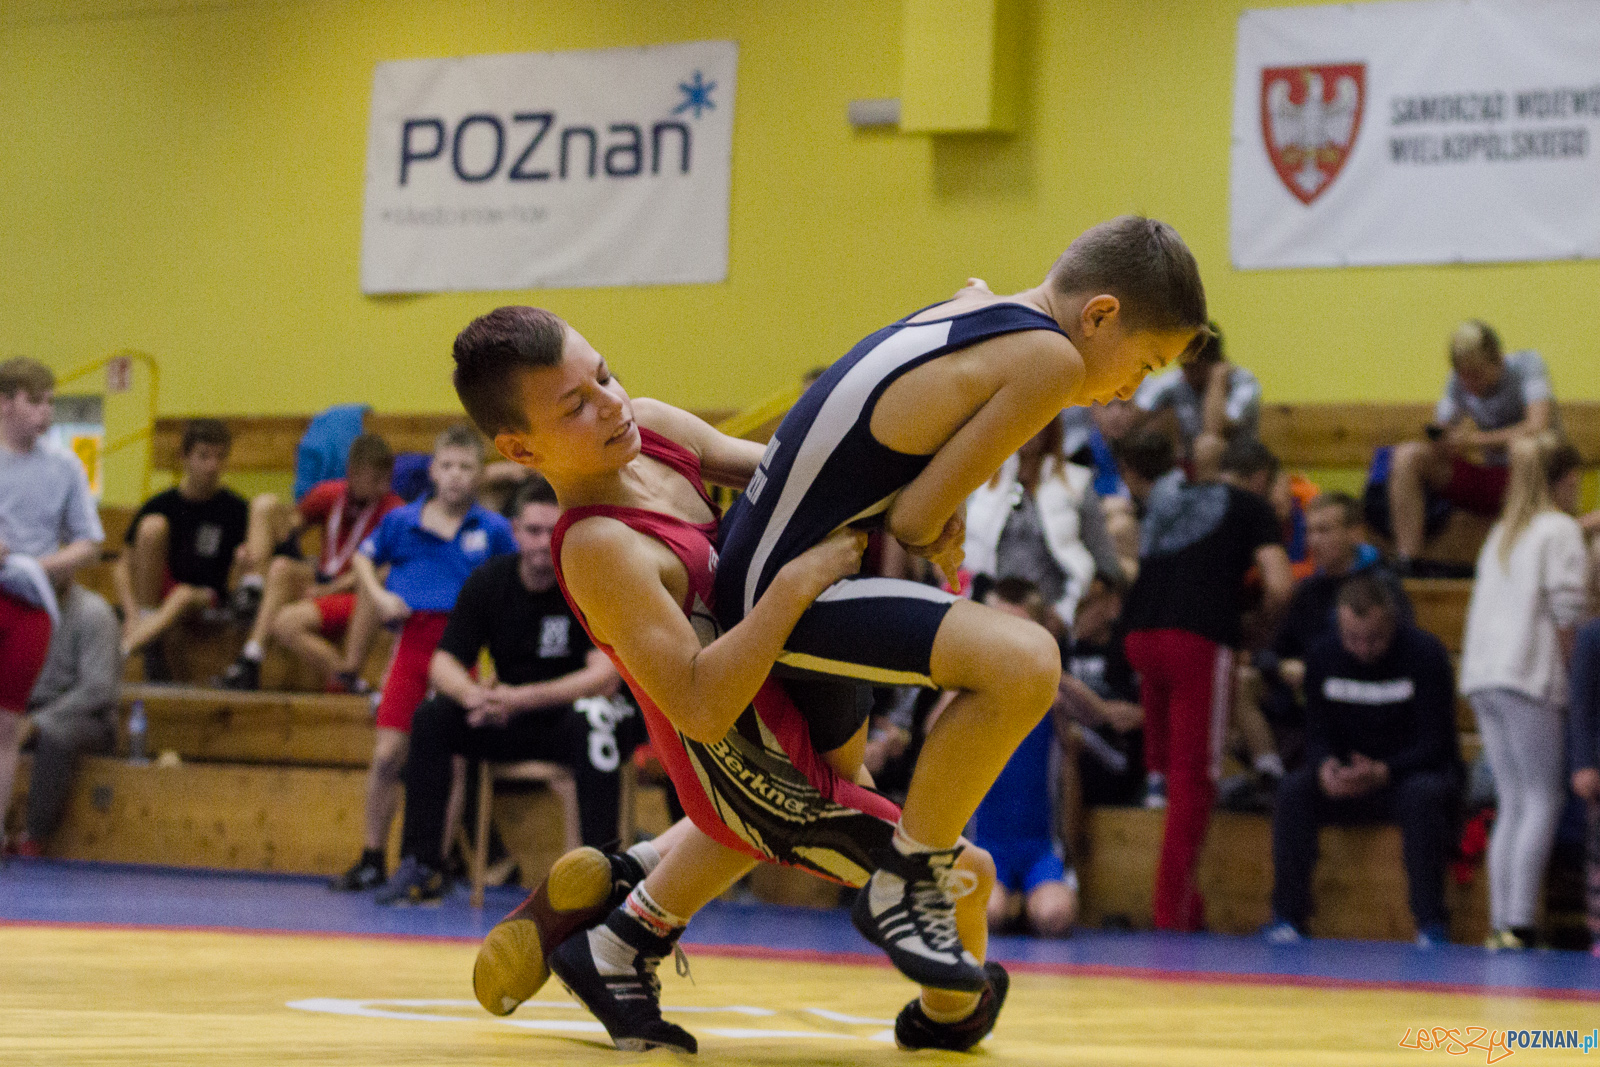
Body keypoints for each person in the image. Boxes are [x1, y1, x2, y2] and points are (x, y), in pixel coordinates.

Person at [452, 307, 1008, 1053]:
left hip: (794, 708)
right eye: (575, 405)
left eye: (605, 375)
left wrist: (933, 492)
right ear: (520, 448)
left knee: (936, 858)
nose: (613, 404)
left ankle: (625, 913)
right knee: (964, 871)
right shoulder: (600, 546)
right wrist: (795, 586)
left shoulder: (650, 428)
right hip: (744, 771)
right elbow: (704, 708)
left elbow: (801, 480)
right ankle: (953, 1015)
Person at [709, 215, 1208, 988]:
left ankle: (626, 923)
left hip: (771, 565)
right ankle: (910, 876)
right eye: (1144, 363)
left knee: (822, 805)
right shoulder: (1047, 358)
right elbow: (912, 518)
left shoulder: (975, 304)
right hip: (784, 586)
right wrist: (940, 516)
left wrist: (938, 512)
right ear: (1099, 316)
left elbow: (905, 484)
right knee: (1027, 660)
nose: (1131, 387)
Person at [375, 476, 638, 905]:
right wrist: (472, 696)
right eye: (533, 531)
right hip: (507, 718)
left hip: (568, 718)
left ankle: (600, 873)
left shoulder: (588, 582)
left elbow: (604, 677)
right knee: (433, 716)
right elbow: (443, 663)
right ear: (514, 531)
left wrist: (519, 698)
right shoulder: (489, 581)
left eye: (553, 533)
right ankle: (422, 864)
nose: (541, 543)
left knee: (597, 717)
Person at [329, 426, 515, 892]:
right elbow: (363, 561)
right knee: (388, 753)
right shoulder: (402, 521)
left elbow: (511, 582)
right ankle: (373, 855)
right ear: (433, 471)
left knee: (450, 762)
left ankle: (435, 861)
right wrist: (380, 596)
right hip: (412, 643)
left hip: (461, 648)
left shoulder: (491, 529)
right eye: (447, 466)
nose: (455, 476)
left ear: (478, 475)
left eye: (465, 467)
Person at [1120, 436, 1293, 931]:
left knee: (1165, 771)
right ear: (1260, 476)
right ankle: (1170, 912)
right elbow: (1280, 584)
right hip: (1194, 640)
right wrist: (1259, 629)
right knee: (1194, 781)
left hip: (1138, 638)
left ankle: (1186, 900)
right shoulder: (1254, 506)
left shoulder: (1175, 498)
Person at [1263, 574, 1462, 946]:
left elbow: (1437, 744)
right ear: (1339, 626)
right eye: (1353, 638)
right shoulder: (1322, 655)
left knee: (1424, 795)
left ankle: (1431, 923)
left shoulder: (1426, 655)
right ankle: (1287, 918)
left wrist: (1385, 771)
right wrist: (1325, 766)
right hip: (1349, 778)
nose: (1364, 649)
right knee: (1293, 790)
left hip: (1405, 776)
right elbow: (1317, 731)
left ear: (1392, 623)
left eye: (1374, 638)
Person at [1460, 434, 1588, 950]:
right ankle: (1519, 920)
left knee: (1513, 800)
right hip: (1527, 675)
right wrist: (1577, 680)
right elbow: (1567, 616)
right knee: (1541, 797)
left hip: (1484, 675)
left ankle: (1503, 923)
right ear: (1566, 479)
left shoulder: (1504, 532)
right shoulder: (1559, 530)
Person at [0, 357, 104, 853]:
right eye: (34, 401)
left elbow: (89, 543)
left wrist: (39, 566)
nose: (45, 413)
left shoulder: (65, 466)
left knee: (6, 725)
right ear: (5, 403)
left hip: (28, 600)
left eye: (49, 402)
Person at [217, 433, 402, 691]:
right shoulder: (330, 494)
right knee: (270, 527)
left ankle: (350, 681)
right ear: (353, 473)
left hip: (359, 596)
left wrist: (328, 590)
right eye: (376, 479)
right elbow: (288, 530)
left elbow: (381, 571)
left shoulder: (393, 510)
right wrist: (252, 551)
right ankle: (251, 652)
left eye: (387, 479)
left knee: (285, 623)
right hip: (323, 580)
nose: (384, 487)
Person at [1251, 491, 1413, 766]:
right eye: (1310, 532)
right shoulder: (1308, 591)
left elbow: (1397, 655)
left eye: (1324, 531)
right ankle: (1270, 774)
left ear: (1354, 534)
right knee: (1243, 681)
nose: (1314, 541)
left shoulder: (1382, 589)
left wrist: (1316, 671)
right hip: (1308, 703)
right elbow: (1271, 650)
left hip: (1366, 704)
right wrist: (1281, 667)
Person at [1385, 320, 1557, 573]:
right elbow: (1443, 423)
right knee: (1408, 455)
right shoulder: (1458, 380)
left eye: (1476, 374)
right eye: (1463, 376)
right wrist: (1443, 439)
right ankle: (1409, 562)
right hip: (1491, 478)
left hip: (1534, 480)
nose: (1470, 384)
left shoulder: (1527, 366)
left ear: (1497, 359)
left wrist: (1473, 440)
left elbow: (1537, 426)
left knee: (1526, 450)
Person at [971, 578, 1083, 938]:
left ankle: (1031, 903)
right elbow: (931, 735)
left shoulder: (1053, 693)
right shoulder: (970, 689)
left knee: (1056, 916)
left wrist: (1072, 845)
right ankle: (1006, 903)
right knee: (984, 918)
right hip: (985, 847)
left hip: (1039, 847)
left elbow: (1074, 759)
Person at [963, 416, 1125, 638]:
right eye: (1019, 421)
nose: (1026, 431)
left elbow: (1105, 567)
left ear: (1050, 427)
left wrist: (1066, 613)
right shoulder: (982, 485)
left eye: (1035, 419)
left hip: (1054, 618)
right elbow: (965, 557)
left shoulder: (1077, 483)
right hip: (992, 612)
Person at [115, 418, 249, 676]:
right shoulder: (160, 505)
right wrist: (131, 614)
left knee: (183, 595)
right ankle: (146, 624)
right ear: (185, 457)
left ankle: (125, 648)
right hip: (157, 596)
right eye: (203, 456)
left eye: (220, 457)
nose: (212, 466)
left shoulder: (236, 509)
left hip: (208, 597)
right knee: (152, 527)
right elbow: (122, 567)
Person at [9, 583, 121, 857]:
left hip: (88, 716)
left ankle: (34, 838)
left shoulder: (93, 612)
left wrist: (37, 721)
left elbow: (99, 689)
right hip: (28, 708)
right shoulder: (16, 609)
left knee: (55, 733)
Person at [1131, 321, 1260, 480]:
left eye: (1193, 367)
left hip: (1240, 469)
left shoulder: (1244, 383)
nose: (1186, 373)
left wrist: (1217, 380)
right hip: (1190, 467)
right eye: (1183, 365)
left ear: (1214, 363)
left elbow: (1214, 430)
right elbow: (1135, 416)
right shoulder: (1179, 379)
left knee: (1208, 446)